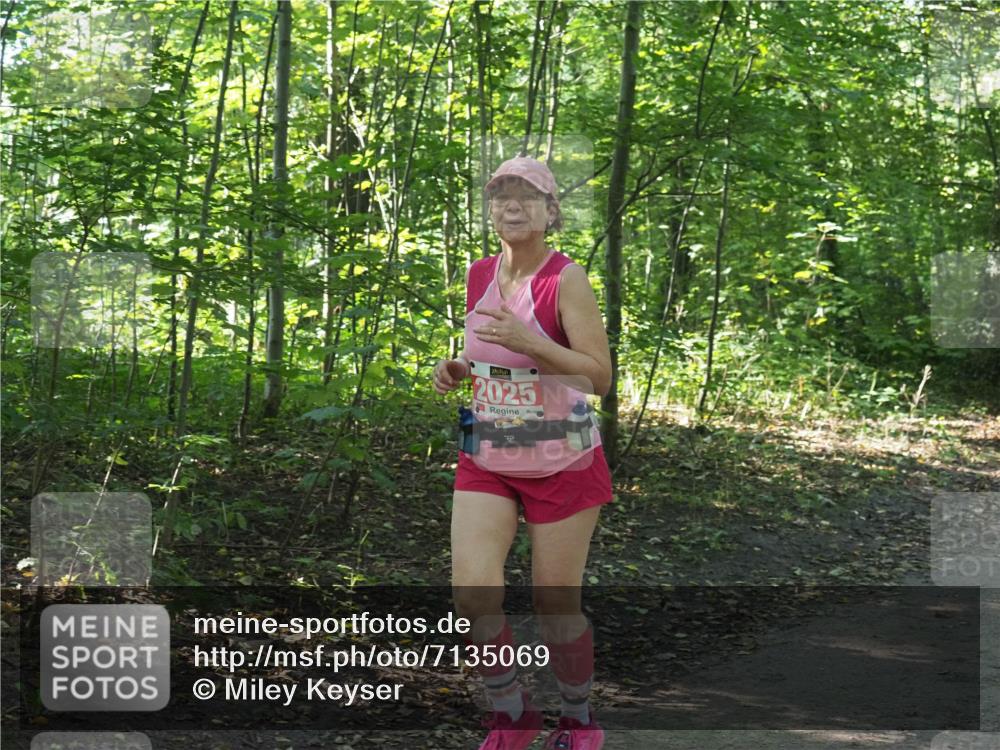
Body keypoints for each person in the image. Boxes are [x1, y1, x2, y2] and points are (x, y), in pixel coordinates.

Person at [433, 156, 613, 750]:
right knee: (471, 594)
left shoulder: (567, 279)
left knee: (554, 605)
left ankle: (579, 719)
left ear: (550, 212)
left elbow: (598, 379)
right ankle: (513, 716)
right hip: (487, 451)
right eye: (501, 195)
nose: (511, 205)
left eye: (526, 196)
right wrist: (460, 368)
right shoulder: (479, 272)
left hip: (561, 458)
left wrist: (532, 342)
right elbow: (491, 357)